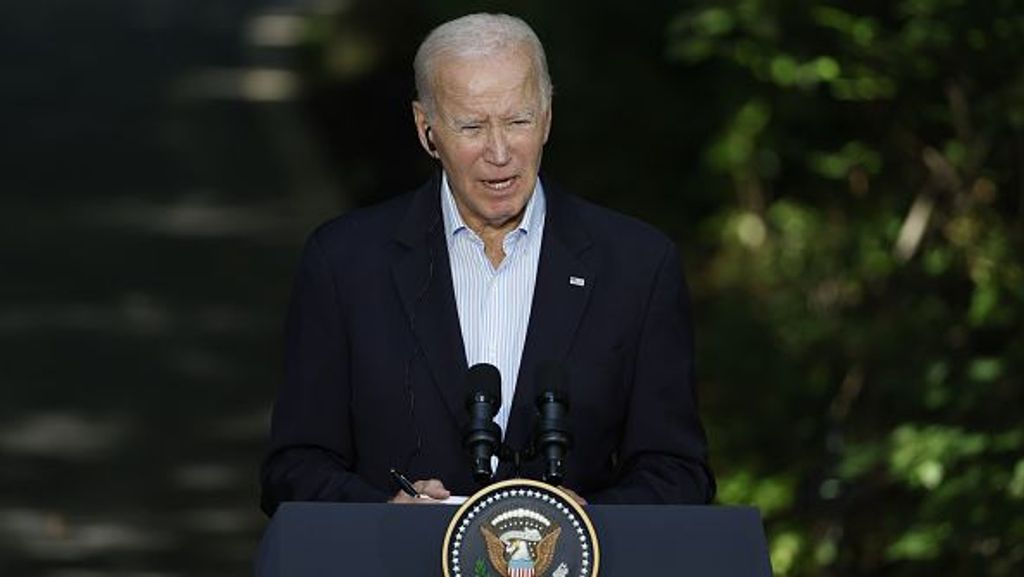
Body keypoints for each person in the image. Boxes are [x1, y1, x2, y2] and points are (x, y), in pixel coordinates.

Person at [260, 13, 714, 513]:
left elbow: (678, 473)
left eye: (518, 120)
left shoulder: (637, 266)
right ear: (426, 129)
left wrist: (585, 527)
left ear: (546, 117)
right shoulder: (345, 263)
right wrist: (383, 516)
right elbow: (294, 468)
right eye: (472, 126)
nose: (499, 153)